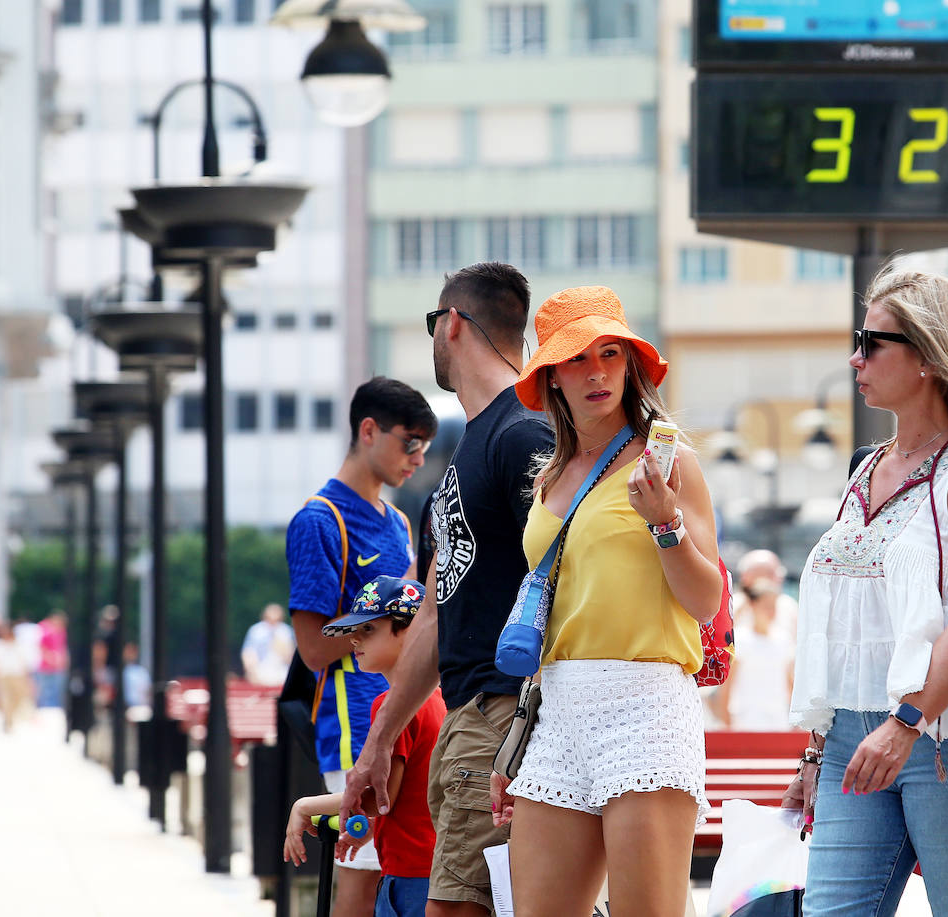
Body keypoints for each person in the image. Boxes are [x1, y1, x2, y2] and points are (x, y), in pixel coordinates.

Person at [782, 267, 948, 917]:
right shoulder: (865, 470)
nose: (855, 357)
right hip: (852, 732)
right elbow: (847, 628)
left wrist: (907, 721)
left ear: (929, 356)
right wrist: (818, 748)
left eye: (873, 342)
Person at [489, 285, 724, 917]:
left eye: (611, 354)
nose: (596, 373)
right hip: (558, 703)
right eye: (576, 360)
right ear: (552, 377)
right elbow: (554, 614)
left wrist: (665, 522)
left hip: (644, 701)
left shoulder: (667, 463)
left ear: (631, 365)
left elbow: (706, 601)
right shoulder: (549, 476)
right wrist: (521, 735)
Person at [340, 262, 553, 917]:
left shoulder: (523, 433)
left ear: (451, 324)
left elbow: (566, 585)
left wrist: (529, 731)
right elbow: (434, 612)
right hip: (470, 720)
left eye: (433, 323)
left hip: (503, 717)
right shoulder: (470, 448)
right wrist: (379, 742)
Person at [286, 375, 437, 917]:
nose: (418, 459)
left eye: (425, 446)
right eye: (410, 442)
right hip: (354, 723)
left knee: (403, 864)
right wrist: (380, 625)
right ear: (368, 431)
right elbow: (311, 648)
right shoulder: (318, 520)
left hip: (409, 714)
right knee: (363, 869)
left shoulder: (397, 521)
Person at [286, 575, 447, 917]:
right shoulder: (441, 698)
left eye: (369, 629)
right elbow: (411, 796)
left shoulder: (392, 706)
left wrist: (304, 806)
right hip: (440, 870)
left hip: (411, 877)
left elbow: (377, 798)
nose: (354, 639)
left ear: (410, 630)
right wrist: (368, 829)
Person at [713, 578, 794, 730]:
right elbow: (726, 687)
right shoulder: (740, 640)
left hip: (778, 722)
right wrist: (727, 725)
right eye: (766, 606)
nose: (771, 612)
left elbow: (789, 683)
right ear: (753, 605)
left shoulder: (784, 640)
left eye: (773, 606)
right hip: (745, 721)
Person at [0, 621, 35, 731]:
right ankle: (8, 720)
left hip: (18, 676)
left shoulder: (19, 645)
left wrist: (28, 678)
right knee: (5, 699)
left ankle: (13, 717)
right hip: (3, 676)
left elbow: (25, 662)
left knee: (19, 699)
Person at [241, 603, 296, 686]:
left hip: (282, 672)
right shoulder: (256, 631)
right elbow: (248, 653)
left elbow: (292, 657)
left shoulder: (286, 631)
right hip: (260, 670)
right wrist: (252, 670)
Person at [36, 611, 69, 709]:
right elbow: (42, 648)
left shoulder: (62, 633)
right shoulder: (46, 632)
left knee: (58, 691)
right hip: (46, 666)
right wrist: (51, 659)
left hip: (58, 666)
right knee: (46, 691)